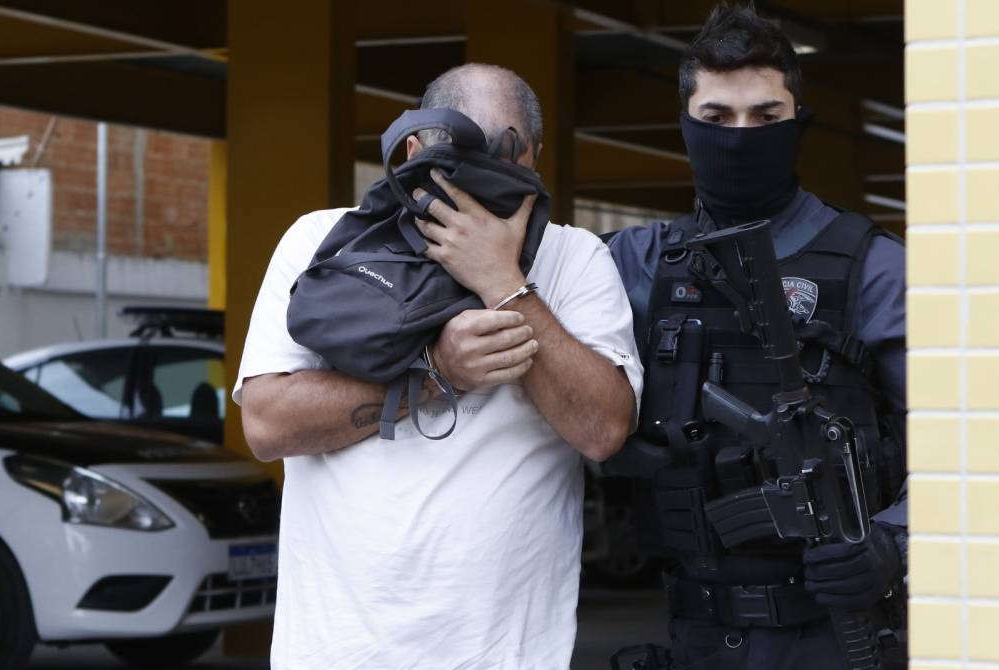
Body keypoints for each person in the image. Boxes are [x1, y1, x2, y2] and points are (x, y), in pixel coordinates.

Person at [235, 63, 642, 670]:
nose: (481, 180)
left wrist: (505, 284)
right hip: (336, 649)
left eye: (505, 157)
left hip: (504, 654)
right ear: (414, 147)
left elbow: (604, 430)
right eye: (465, 153)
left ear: (532, 159)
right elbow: (267, 426)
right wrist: (436, 373)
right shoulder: (324, 242)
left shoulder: (574, 259)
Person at [603, 5, 907, 669]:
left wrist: (894, 545)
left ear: (798, 122)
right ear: (687, 124)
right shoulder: (636, 262)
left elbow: (970, 446)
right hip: (696, 635)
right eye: (717, 118)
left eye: (765, 117)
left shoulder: (874, 268)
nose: (741, 136)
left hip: (830, 630)